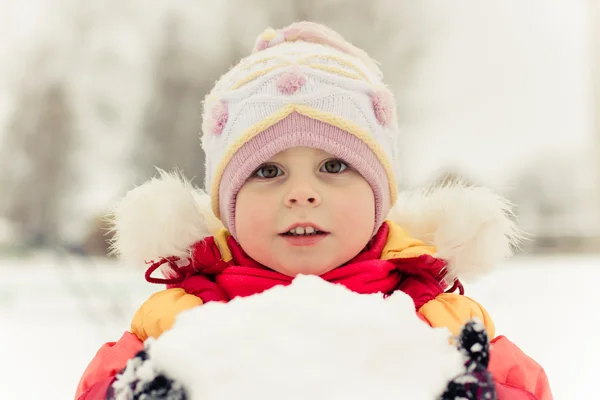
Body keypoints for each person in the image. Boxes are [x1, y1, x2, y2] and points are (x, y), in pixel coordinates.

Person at [75, 21, 552, 400]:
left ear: (380, 196)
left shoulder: (437, 317)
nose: (301, 194)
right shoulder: (178, 318)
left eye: (334, 165)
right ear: (229, 207)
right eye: (267, 172)